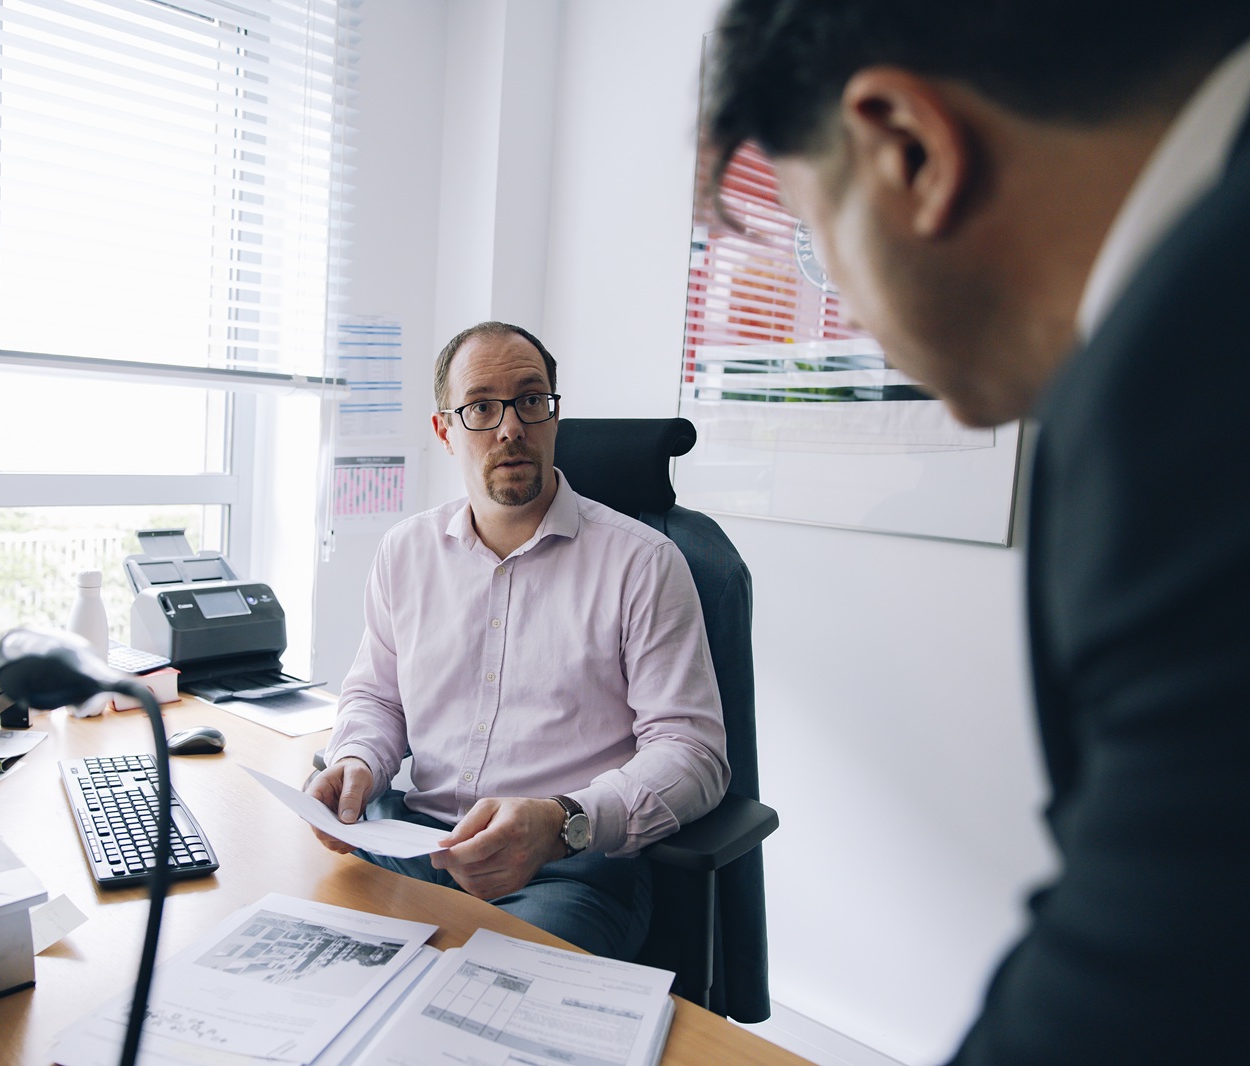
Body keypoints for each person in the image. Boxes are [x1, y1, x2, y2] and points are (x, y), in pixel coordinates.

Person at [703, 2, 1250, 1061]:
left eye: (818, 246)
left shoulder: (1186, 367)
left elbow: (1148, 991)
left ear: (906, 148)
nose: (850, 314)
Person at [305, 321, 729, 960]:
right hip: (415, 844)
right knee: (310, 965)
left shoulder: (644, 563)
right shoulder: (405, 552)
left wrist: (564, 823)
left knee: (479, 1021)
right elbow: (378, 699)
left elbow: (693, 751)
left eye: (531, 400)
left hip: (565, 872)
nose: (511, 428)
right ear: (445, 429)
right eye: (481, 407)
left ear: (555, 416)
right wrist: (357, 761)